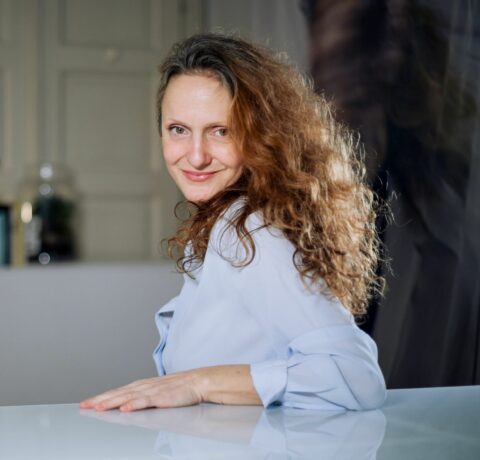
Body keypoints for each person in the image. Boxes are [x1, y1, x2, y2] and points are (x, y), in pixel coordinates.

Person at [80, 33, 386, 412]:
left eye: (221, 131)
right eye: (178, 129)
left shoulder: (250, 232)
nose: (196, 156)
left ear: (262, 135)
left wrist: (199, 383)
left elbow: (356, 379)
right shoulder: (221, 224)